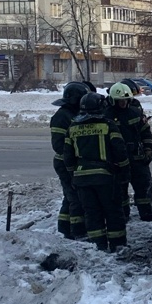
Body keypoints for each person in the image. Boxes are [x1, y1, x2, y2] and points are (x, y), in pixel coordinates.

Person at [64, 92, 130, 252]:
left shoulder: (72, 128)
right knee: (113, 211)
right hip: (105, 179)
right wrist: (124, 172)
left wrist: (74, 174)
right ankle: (117, 245)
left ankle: (98, 245)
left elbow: (68, 157)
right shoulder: (107, 125)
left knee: (92, 213)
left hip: (82, 180)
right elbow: (120, 151)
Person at [109, 80, 152, 222]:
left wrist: (149, 149)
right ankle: (123, 216)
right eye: (120, 101)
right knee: (120, 191)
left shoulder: (135, 113)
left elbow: (146, 133)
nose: (123, 104)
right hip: (117, 161)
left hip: (138, 159)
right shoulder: (106, 116)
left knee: (144, 188)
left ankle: (148, 215)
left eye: (126, 100)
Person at [49, 81, 91, 239]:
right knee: (75, 198)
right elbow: (58, 145)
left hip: (72, 163)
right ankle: (77, 231)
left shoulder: (73, 114)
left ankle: (65, 227)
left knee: (70, 197)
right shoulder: (62, 116)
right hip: (65, 164)